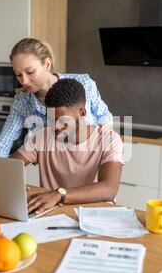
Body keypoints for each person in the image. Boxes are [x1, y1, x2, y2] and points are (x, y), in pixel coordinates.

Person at [11, 79, 124, 215]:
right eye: (51, 119)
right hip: (51, 215)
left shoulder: (108, 140)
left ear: (81, 113)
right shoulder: (43, 136)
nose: (56, 127)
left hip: (95, 217)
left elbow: (109, 189)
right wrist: (12, 184)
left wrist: (60, 194)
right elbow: (9, 167)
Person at [0, 38, 113, 158]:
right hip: (53, 172)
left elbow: (105, 117)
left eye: (30, 72)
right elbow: (2, 145)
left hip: (90, 164)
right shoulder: (22, 102)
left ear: (47, 64)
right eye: (18, 75)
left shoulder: (83, 83)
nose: (24, 81)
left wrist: (96, 150)